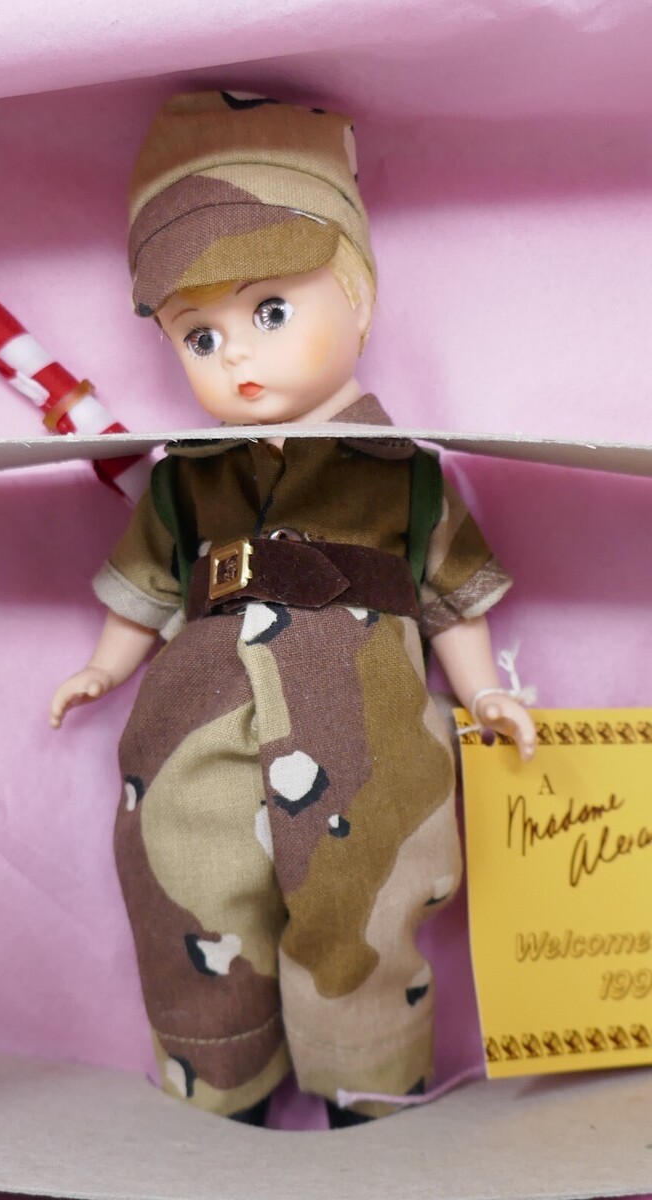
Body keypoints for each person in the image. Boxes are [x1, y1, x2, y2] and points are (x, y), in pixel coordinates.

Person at [50, 91, 536, 1126]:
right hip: (194, 720)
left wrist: (485, 694)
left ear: (356, 297)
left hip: (370, 734)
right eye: (198, 336)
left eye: (269, 312)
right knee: (186, 882)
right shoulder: (186, 477)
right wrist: (102, 665)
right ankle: (218, 1087)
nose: (236, 357)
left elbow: (451, 598)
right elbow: (146, 582)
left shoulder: (403, 474)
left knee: (368, 901)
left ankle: (369, 1089)